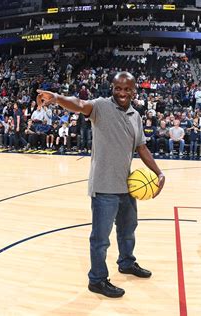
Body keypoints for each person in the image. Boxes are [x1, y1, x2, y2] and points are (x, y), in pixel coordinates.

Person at [36, 71, 165, 298]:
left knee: (128, 230)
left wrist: (159, 173)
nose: (122, 93)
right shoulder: (101, 107)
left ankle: (126, 262)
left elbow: (141, 148)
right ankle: (96, 279)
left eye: (127, 89)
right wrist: (56, 97)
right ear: (112, 88)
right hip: (104, 185)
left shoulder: (136, 115)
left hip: (127, 185)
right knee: (100, 238)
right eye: (118, 88)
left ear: (134, 91)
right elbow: (79, 104)